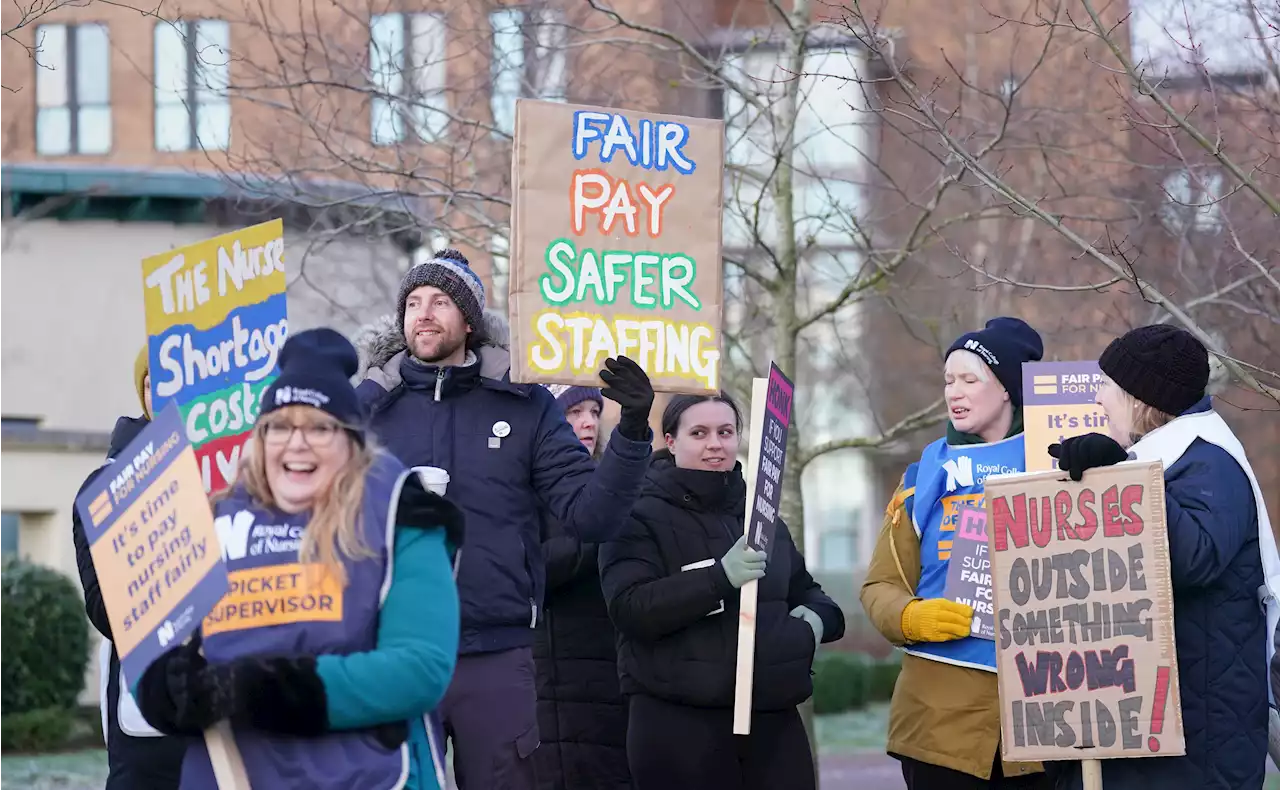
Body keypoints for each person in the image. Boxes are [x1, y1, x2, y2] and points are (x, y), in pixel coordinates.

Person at [355, 248, 655, 789]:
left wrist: (632, 428)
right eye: (414, 302)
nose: (423, 313)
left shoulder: (525, 403)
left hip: (495, 650)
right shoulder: (368, 409)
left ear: (468, 320)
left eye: (441, 301)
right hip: (391, 647)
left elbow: (592, 517)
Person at [133, 328, 463, 790]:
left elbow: (419, 669)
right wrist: (171, 691)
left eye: (319, 427)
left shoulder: (400, 516)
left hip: (364, 776)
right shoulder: (215, 519)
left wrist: (265, 689)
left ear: (351, 441)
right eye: (280, 427)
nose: (297, 443)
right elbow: (161, 653)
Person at [1043, 324, 1277, 790]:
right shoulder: (1173, 459)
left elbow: (1193, 559)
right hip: (1155, 733)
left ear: (1140, 397)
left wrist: (1119, 480)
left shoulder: (1211, 463)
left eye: (1106, 386)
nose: (1097, 400)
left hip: (1193, 744)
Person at [598, 392, 845, 790]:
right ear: (671, 441)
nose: (715, 443)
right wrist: (717, 580)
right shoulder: (635, 514)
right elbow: (630, 608)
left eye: (726, 431)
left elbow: (811, 594)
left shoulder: (761, 518)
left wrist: (815, 624)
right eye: (699, 432)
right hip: (680, 726)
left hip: (772, 720)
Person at [860, 317, 1051, 789]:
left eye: (970, 379)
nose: (954, 392)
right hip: (939, 724)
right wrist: (910, 618)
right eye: (948, 380)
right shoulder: (924, 474)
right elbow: (879, 585)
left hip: (1048, 717)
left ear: (1007, 388)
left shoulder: (1057, 459)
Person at [71, 345, 185, 790]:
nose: (169, 394)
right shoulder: (106, 486)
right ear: (143, 393)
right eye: (157, 382)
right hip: (149, 717)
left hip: (234, 703)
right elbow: (104, 608)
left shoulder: (238, 477)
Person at [532, 384, 631, 790]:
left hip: (612, 669)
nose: (588, 421)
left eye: (593, 410)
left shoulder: (616, 484)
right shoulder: (526, 490)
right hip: (549, 673)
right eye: (573, 412)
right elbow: (529, 568)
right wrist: (600, 531)